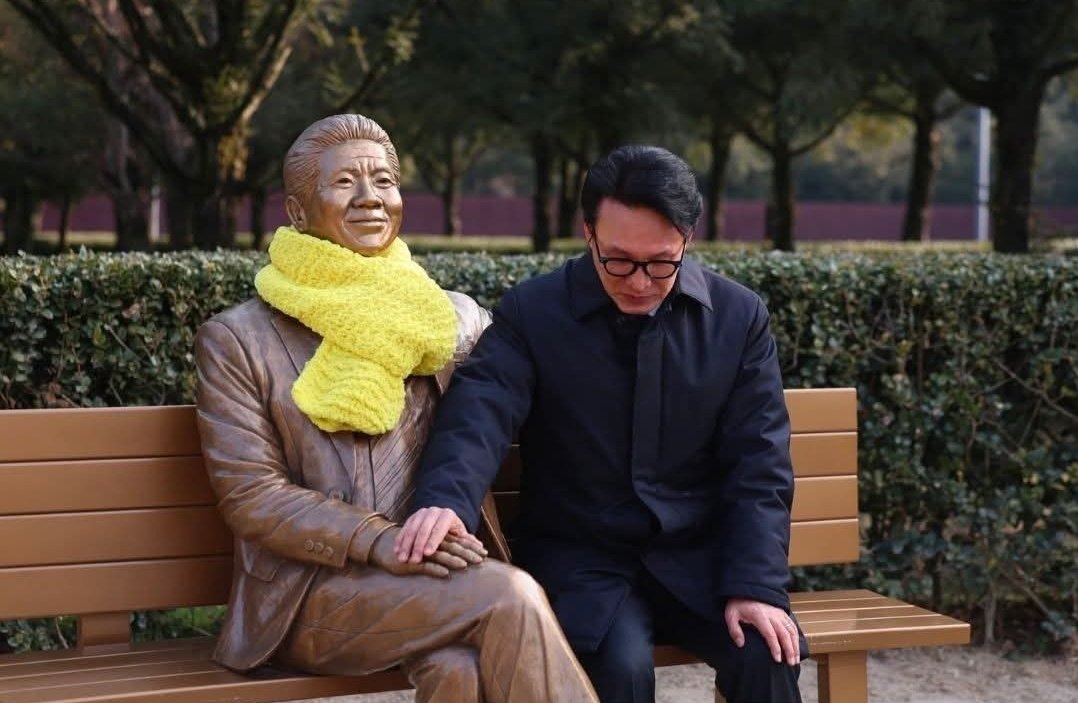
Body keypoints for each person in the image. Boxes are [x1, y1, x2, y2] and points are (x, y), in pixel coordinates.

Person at [194, 113, 597, 703]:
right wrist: (378, 540)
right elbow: (252, 495)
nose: (369, 199)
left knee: (459, 669)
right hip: (314, 592)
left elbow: (523, 420)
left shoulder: (450, 319)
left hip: (442, 574)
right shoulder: (239, 340)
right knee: (508, 596)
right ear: (298, 211)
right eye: (344, 183)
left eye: (383, 181)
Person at [399, 145, 808, 703]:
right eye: (618, 259)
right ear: (588, 233)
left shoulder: (738, 320)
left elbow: (760, 464)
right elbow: (481, 410)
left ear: (688, 239)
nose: (639, 281)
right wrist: (446, 498)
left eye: (661, 262)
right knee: (619, 668)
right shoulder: (533, 312)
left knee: (766, 650)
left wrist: (755, 586)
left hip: (699, 560)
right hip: (581, 558)